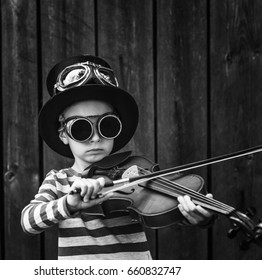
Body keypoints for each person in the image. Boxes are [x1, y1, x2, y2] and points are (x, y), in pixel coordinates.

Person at [21, 55, 215, 260]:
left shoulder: (134, 174)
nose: (95, 138)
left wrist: (196, 216)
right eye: (81, 128)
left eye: (106, 125)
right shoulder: (58, 181)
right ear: (63, 135)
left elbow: (164, 209)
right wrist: (69, 204)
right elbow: (27, 221)